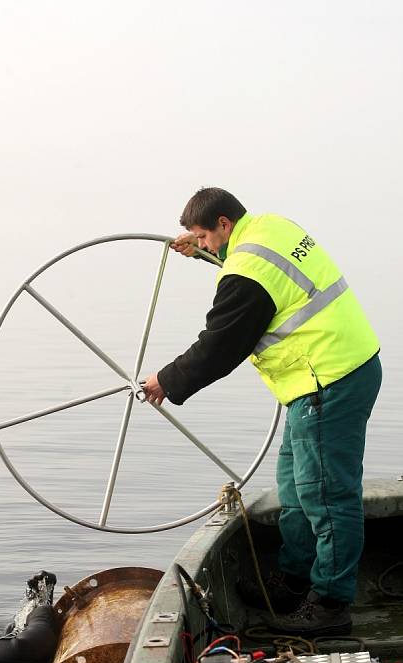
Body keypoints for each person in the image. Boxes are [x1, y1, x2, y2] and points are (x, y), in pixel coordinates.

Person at [143, 187, 382, 637]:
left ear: (224, 225)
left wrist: (166, 380)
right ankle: (293, 579)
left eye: (204, 236)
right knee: (294, 483)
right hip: (334, 370)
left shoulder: (246, 272)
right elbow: (256, 274)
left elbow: (221, 345)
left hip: (327, 380)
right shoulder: (270, 227)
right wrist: (201, 252)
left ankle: (330, 604)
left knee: (327, 497)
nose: (204, 244)